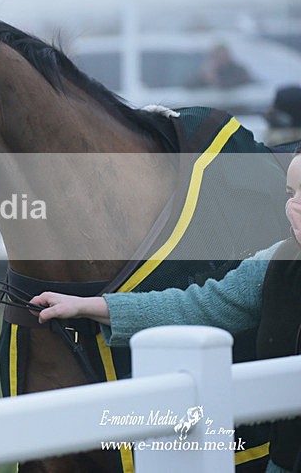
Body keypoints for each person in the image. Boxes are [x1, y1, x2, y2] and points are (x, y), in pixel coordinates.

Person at [30, 147, 301, 473]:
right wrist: (86, 306)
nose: (293, 205)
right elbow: (198, 307)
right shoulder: (277, 263)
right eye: (290, 192)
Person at [185, 43, 253, 89]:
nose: (221, 60)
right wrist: (204, 76)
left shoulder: (238, 71)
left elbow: (231, 86)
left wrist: (214, 80)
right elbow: (189, 86)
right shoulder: (208, 71)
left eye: (223, 57)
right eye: (218, 57)